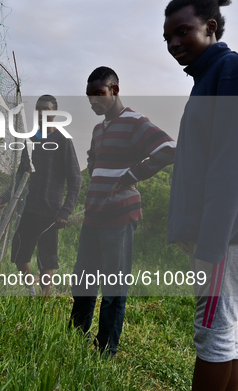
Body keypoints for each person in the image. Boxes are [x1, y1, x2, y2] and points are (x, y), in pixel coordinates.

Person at [164, 1, 238, 390]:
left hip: (226, 235)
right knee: (224, 330)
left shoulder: (229, 71)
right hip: (223, 235)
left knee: (212, 331)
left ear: (211, 27)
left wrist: (212, 243)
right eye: (167, 37)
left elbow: (232, 163)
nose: (173, 42)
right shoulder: (209, 77)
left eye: (182, 31)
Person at [69, 67, 176, 357]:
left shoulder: (134, 122)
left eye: (99, 95)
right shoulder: (98, 129)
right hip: (94, 215)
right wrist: (94, 168)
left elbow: (169, 148)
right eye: (89, 96)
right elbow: (93, 158)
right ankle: (74, 340)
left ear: (114, 90)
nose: (94, 102)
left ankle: (105, 353)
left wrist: (130, 176)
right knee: (83, 281)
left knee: (113, 288)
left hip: (120, 216)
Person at [0, 95, 82, 296]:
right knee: (19, 254)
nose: (42, 113)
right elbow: (21, 174)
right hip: (27, 207)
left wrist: (65, 211)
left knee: (46, 259)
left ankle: (44, 299)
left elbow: (76, 180)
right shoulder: (30, 139)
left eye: (46, 109)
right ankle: (31, 290)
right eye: (39, 109)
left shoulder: (63, 141)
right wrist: (6, 197)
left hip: (51, 212)